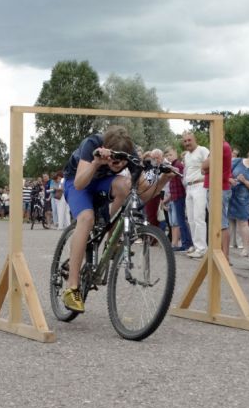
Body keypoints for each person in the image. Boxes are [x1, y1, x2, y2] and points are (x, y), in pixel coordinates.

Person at [61, 126, 174, 313]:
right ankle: (72, 287)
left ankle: (107, 230)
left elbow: (143, 196)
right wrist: (97, 163)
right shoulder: (92, 144)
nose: (118, 165)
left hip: (101, 183)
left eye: (122, 162)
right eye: (114, 161)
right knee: (86, 218)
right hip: (78, 180)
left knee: (126, 186)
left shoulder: (129, 155)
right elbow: (81, 183)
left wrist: (163, 180)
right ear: (106, 147)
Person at [228, 145, 249, 257]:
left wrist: (244, 181)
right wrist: (230, 179)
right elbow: (227, 172)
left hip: (243, 199)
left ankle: (245, 249)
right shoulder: (238, 161)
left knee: (242, 223)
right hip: (229, 195)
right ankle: (224, 247)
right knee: (226, 222)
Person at [201, 140, 233, 261]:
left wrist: (206, 166)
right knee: (217, 222)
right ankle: (220, 253)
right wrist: (207, 167)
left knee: (222, 223)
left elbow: (204, 166)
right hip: (215, 187)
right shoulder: (218, 146)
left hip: (219, 188)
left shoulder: (221, 145)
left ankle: (225, 256)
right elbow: (204, 168)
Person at [182, 132, 210, 257]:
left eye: (189, 140)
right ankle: (196, 246)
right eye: (185, 141)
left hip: (200, 185)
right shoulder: (187, 155)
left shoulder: (203, 150)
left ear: (195, 139)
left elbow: (211, 162)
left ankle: (202, 248)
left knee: (199, 217)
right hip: (189, 187)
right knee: (191, 219)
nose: (187, 143)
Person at [164, 146, 192, 252]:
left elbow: (178, 176)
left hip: (180, 195)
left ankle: (186, 243)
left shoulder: (178, 165)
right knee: (180, 221)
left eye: (170, 154)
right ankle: (186, 243)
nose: (169, 157)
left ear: (175, 152)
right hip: (175, 196)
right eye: (167, 156)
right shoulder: (173, 165)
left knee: (181, 221)